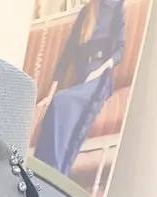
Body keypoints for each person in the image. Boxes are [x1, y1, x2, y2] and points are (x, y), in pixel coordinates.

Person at [35, 0, 126, 178]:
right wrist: (50, 94)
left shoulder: (116, 7)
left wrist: (100, 70)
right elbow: (66, 55)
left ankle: (56, 173)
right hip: (81, 80)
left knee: (62, 101)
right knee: (57, 101)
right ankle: (42, 173)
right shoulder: (86, 12)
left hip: (100, 78)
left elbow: (120, 50)